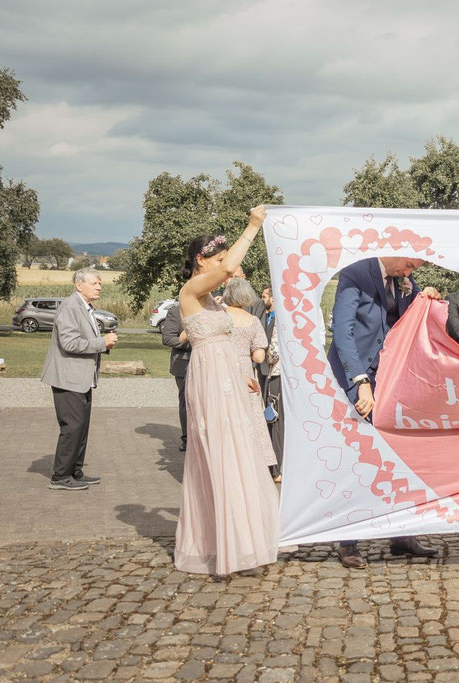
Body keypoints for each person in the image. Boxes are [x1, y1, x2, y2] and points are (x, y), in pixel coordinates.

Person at [173, 207, 281, 575]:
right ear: (202, 261)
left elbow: (229, 344)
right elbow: (226, 270)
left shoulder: (213, 301)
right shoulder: (191, 290)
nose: (226, 269)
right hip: (207, 382)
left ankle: (242, 539)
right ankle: (226, 543)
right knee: (218, 455)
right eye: (218, 260)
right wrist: (252, 227)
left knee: (238, 452)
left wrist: (242, 376)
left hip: (228, 379)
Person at [327, 256, 442, 569]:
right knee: (357, 457)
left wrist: (422, 298)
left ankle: (401, 535)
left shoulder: (404, 280)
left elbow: (404, 321)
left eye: (414, 271)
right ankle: (347, 540)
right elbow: (342, 331)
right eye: (408, 266)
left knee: (398, 455)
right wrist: (360, 381)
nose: (409, 273)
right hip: (357, 378)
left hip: (391, 378)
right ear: (394, 252)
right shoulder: (355, 274)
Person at [41, 267, 118, 491]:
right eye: (95, 283)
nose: (99, 287)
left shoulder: (86, 308)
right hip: (68, 379)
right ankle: (60, 477)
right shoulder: (70, 307)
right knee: (72, 427)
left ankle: (75, 471)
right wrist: (102, 343)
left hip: (82, 379)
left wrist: (103, 343)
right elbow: (69, 343)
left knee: (81, 427)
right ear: (79, 285)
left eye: (100, 283)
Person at [222, 278, 277, 476]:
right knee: (251, 415)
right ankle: (254, 460)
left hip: (221, 365)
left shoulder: (220, 316)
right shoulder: (252, 321)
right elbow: (259, 355)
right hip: (245, 367)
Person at [260, 287, 284, 479]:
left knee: (275, 419)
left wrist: (262, 355)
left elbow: (274, 350)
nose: (262, 300)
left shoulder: (280, 319)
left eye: (264, 296)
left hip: (276, 373)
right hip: (277, 374)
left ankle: (276, 468)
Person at [161, 303, 190, 452]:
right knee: (186, 401)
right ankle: (187, 438)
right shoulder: (175, 312)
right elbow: (168, 339)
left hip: (208, 362)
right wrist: (188, 338)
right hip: (184, 364)